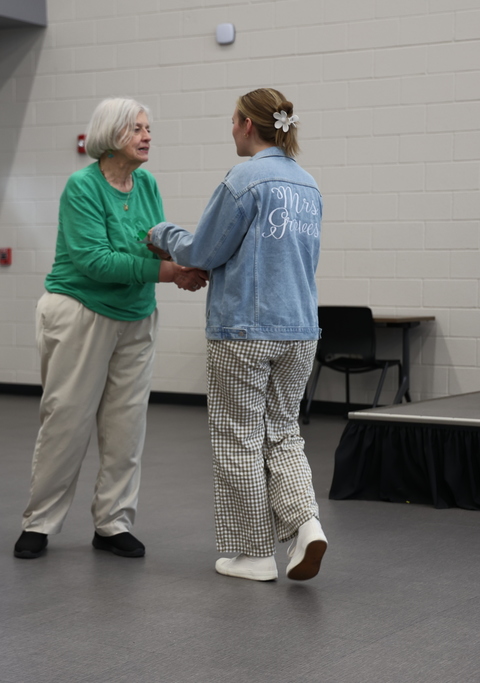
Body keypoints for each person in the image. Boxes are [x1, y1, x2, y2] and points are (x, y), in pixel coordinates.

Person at [14, 97, 208, 560]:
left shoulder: (147, 184)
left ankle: (113, 522)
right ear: (110, 135)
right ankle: (39, 522)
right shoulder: (82, 187)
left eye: (148, 128)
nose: (147, 136)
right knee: (66, 422)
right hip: (81, 310)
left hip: (136, 315)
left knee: (126, 427)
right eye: (136, 128)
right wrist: (170, 273)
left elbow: (155, 240)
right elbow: (95, 261)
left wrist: (184, 261)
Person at [147, 88, 327, 581]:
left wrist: (161, 233)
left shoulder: (244, 179)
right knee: (283, 434)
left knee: (238, 439)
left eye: (233, 121)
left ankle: (254, 555)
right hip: (300, 330)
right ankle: (307, 525)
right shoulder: (308, 185)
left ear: (249, 124)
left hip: (244, 331)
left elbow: (203, 252)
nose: (230, 129)